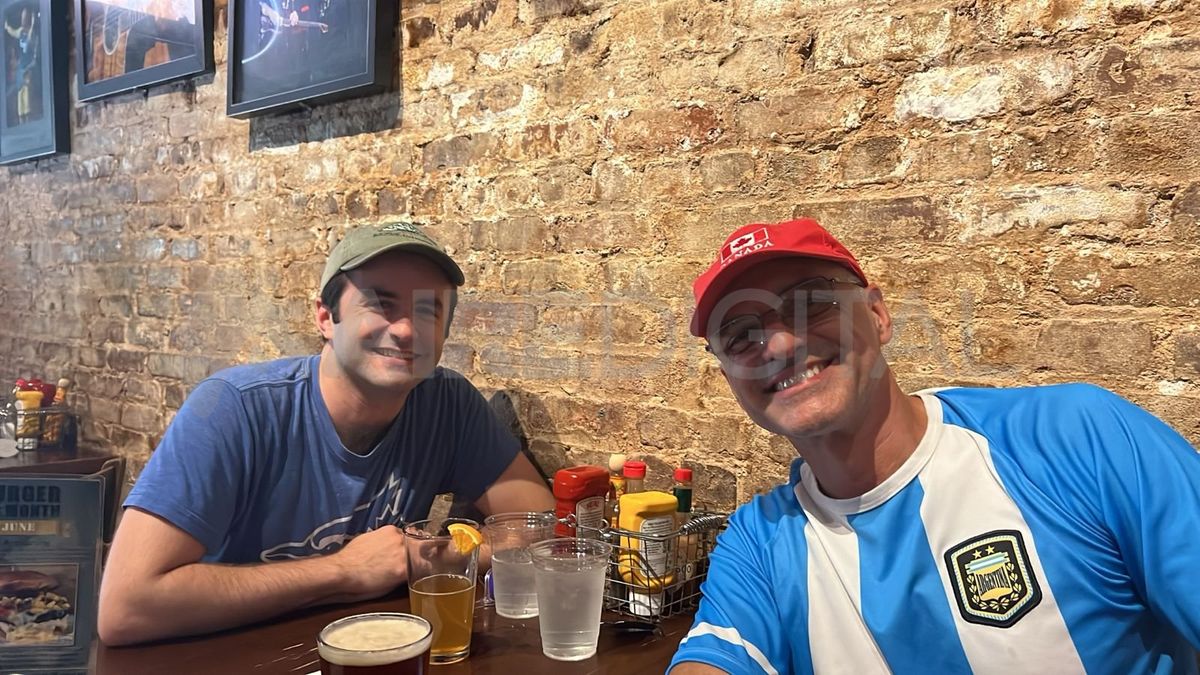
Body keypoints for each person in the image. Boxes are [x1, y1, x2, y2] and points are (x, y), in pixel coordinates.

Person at [670, 218, 1200, 674]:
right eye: (740, 334)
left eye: (812, 302)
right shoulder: (758, 543)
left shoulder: (1075, 438)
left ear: (877, 315)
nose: (780, 344)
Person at [98, 222, 553, 646]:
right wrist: (343, 572)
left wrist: (445, 555)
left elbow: (545, 530)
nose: (407, 330)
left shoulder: (447, 403)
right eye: (381, 303)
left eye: (427, 311)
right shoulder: (233, 408)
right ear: (324, 318)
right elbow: (126, 606)